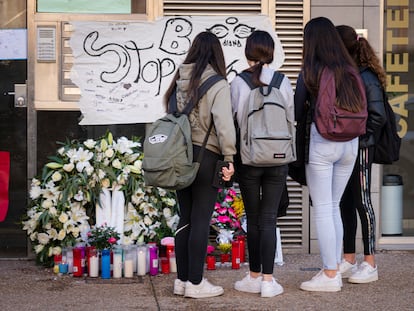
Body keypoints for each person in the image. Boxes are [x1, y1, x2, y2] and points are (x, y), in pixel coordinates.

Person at [294, 17, 367, 292]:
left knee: (324, 207)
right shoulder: (350, 68)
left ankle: (330, 274)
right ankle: (333, 266)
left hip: (323, 140)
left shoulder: (311, 70)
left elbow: (297, 109)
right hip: (351, 143)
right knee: (333, 205)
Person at [165, 31, 237, 299]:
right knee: (201, 219)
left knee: (185, 218)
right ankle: (196, 283)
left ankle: (182, 281)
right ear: (216, 55)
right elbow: (224, 126)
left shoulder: (177, 81)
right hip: (206, 156)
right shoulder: (217, 84)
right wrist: (229, 158)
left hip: (179, 156)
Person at [231, 30, 293, 298]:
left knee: (254, 218)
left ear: (247, 53)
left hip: (249, 158)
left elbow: (233, 118)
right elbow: (291, 119)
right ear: (271, 53)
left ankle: (254, 275)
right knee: (269, 219)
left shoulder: (239, 82)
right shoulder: (283, 81)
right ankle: (268, 280)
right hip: (279, 158)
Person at [336, 25, 387, 284]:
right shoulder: (348, 74)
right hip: (346, 148)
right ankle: (348, 258)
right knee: (345, 202)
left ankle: (370, 262)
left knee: (362, 202)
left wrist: (360, 141)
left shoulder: (366, 76)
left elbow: (378, 115)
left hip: (360, 148)